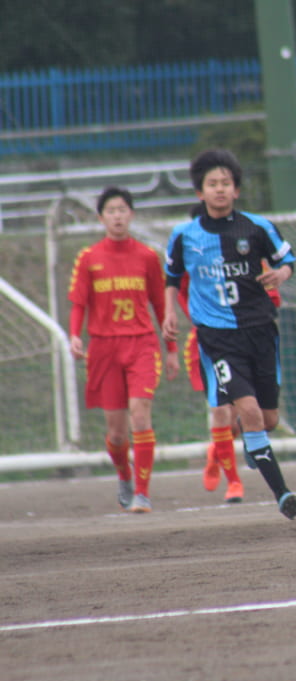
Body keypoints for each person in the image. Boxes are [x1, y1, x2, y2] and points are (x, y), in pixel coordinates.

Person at [161, 148, 296, 520]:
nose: (220, 190)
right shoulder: (183, 235)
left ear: (236, 190)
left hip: (259, 331)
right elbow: (172, 277)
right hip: (217, 337)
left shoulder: (257, 227)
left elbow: (289, 261)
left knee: (267, 420)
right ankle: (283, 493)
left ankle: (231, 444)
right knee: (251, 412)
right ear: (199, 192)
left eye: (226, 183)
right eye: (212, 184)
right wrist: (170, 312)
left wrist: (280, 274)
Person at [67, 186, 179, 513]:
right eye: (111, 211)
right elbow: (78, 304)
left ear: (131, 214)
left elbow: (161, 306)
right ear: (101, 218)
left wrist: (171, 349)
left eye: (122, 209)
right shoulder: (88, 258)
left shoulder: (146, 257)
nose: (117, 216)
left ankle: (142, 494)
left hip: (141, 343)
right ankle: (124, 475)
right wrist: (75, 335)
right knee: (116, 433)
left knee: (140, 415)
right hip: (104, 349)